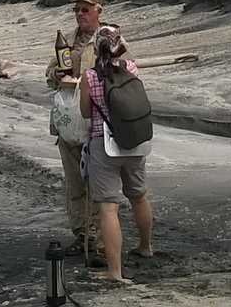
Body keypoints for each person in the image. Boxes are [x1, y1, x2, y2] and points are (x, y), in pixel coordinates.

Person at [79, 24, 154, 283]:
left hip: (104, 145)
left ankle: (115, 271)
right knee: (139, 196)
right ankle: (145, 246)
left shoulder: (90, 76)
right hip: (134, 141)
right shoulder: (131, 68)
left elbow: (86, 113)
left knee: (109, 209)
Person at [44, 0, 104, 258]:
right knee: (74, 184)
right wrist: (56, 73)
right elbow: (49, 74)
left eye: (85, 9)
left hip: (96, 123)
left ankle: (101, 240)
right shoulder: (66, 40)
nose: (80, 14)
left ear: (98, 10)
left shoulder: (108, 39)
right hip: (67, 123)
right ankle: (82, 235)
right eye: (76, 10)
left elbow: (124, 71)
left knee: (98, 184)